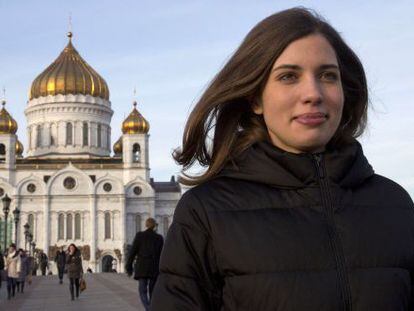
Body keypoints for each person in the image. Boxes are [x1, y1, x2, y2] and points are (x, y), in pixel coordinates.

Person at [151, 8, 414, 311]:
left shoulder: (393, 204)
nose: (312, 93)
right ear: (255, 98)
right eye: (289, 76)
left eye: (328, 75)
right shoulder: (206, 213)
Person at [126, 218, 163, 311]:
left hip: (142, 268)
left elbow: (132, 252)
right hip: (154, 268)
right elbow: (162, 255)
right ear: (155, 226)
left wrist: (129, 268)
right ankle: (150, 308)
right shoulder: (159, 238)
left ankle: (148, 308)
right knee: (152, 291)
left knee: (142, 291)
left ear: (146, 225)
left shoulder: (140, 236)